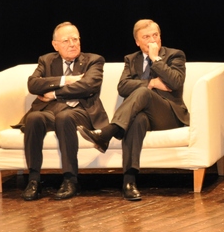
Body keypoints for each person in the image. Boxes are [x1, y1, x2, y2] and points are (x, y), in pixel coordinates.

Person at [79, 19, 188, 201]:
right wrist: (151, 82)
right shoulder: (132, 59)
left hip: (169, 114)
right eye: (146, 37)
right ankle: (129, 182)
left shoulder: (175, 55)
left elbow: (175, 82)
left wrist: (156, 59)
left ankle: (106, 133)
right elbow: (122, 87)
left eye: (155, 35)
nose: (152, 40)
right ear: (137, 42)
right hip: (144, 115)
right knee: (135, 120)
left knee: (143, 93)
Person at [15, 22, 108, 201]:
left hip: (81, 111)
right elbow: (33, 84)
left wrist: (55, 94)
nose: (72, 44)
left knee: (65, 118)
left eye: (75, 39)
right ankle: (33, 180)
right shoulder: (46, 60)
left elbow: (88, 86)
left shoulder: (94, 60)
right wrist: (66, 80)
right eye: (66, 40)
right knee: (34, 118)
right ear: (55, 45)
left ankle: (70, 180)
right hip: (50, 112)